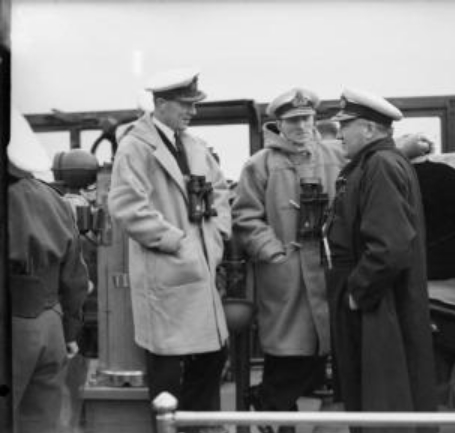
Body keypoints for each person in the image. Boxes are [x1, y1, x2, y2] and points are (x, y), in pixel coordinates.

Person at [107, 68, 231, 426]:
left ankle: (199, 430)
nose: (193, 111)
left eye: (194, 104)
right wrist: (179, 242)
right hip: (167, 276)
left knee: (211, 362)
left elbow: (220, 193)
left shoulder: (195, 146)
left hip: (201, 274)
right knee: (168, 376)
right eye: (185, 105)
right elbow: (128, 207)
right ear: (160, 104)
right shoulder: (135, 147)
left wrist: (216, 237)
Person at [323, 88, 438, 432]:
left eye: (346, 126)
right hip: (375, 301)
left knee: (384, 402)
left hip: (379, 305)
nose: (340, 134)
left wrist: (357, 292)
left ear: (369, 129)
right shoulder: (376, 163)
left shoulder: (381, 166)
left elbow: (390, 246)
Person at [232, 88, 345, 429]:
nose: (301, 126)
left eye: (306, 118)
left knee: (322, 351)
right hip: (287, 276)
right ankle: (273, 408)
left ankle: (270, 404)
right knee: (286, 354)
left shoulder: (336, 155)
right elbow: (245, 217)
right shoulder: (259, 164)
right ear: (278, 124)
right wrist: (273, 252)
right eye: (293, 120)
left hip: (327, 271)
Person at [8, 109, 89, 433]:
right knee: (42, 423)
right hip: (51, 326)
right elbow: (75, 278)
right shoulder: (53, 199)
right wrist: (69, 333)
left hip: (12, 327)